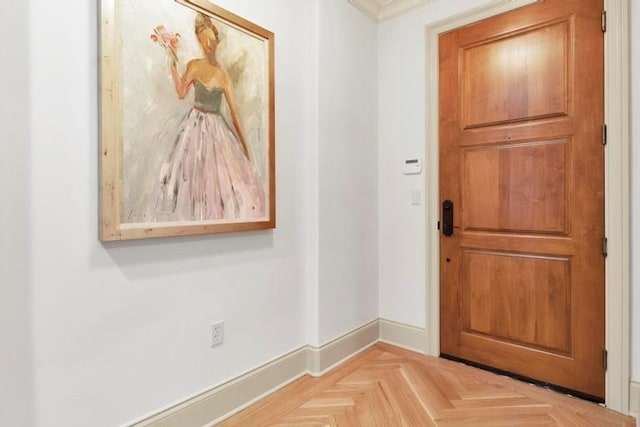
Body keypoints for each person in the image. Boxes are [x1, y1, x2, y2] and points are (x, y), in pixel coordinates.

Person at [137, 13, 265, 222]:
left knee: (218, 181)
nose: (209, 45)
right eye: (204, 40)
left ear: (217, 41)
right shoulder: (194, 65)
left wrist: (244, 147)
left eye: (212, 41)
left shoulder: (222, 74)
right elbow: (180, 92)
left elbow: (233, 113)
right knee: (190, 176)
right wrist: (172, 59)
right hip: (194, 127)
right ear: (199, 40)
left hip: (218, 132)